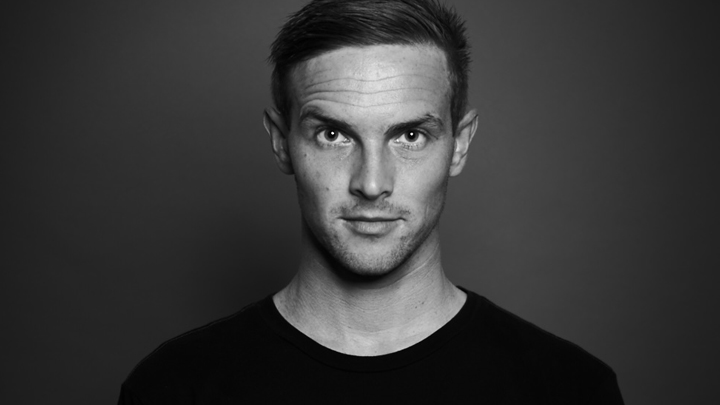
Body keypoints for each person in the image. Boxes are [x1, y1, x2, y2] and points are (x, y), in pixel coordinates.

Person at [119, 0, 624, 403]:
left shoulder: (570, 389)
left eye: (409, 135)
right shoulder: (172, 388)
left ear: (461, 144)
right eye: (334, 134)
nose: (371, 182)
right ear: (281, 141)